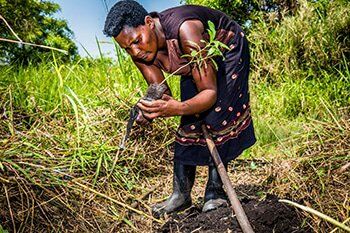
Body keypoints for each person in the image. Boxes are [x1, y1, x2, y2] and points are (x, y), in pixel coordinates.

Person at [104, 0, 256, 217]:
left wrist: (177, 107)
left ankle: (215, 192)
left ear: (148, 23)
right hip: (194, 65)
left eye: (137, 41)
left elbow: (209, 93)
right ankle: (181, 195)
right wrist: (147, 110)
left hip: (226, 51)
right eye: (127, 48)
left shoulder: (186, 30)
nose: (135, 52)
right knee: (189, 119)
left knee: (217, 116)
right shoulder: (138, 50)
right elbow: (161, 91)